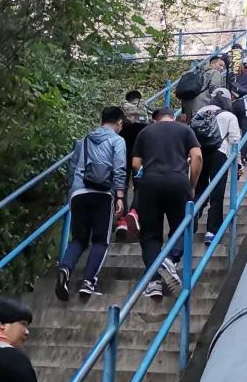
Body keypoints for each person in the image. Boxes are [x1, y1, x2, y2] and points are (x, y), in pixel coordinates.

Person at [55, 106, 127, 300]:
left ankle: (65, 268)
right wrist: (120, 196)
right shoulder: (117, 141)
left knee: (78, 239)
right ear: (119, 122)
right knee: (100, 240)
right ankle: (88, 282)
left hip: (79, 193)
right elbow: (120, 168)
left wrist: (72, 193)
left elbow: (72, 168)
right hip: (102, 194)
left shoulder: (84, 140)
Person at [132, 107, 202, 300]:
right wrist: (192, 185)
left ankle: (154, 282)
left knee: (150, 235)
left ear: (155, 119)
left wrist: (150, 169)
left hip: (150, 184)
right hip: (178, 182)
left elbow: (136, 164)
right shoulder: (185, 129)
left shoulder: (145, 132)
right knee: (185, 225)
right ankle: (170, 260)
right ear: (172, 117)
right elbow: (197, 157)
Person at [191, 89, 242, 246]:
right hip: (220, 154)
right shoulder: (229, 116)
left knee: (200, 188)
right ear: (228, 100)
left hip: (199, 153)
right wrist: (238, 163)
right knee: (217, 192)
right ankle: (211, 231)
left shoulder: (200, 112)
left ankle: (193, 215)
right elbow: (234, 140)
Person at [116, 90, 148, 240]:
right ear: (139, 99)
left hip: (122, 154)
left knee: (121, 185)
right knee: (139, 186)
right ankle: (134, 212)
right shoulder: (145, 109)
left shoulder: (122, 113)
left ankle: (121, 221)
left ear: (127, 100)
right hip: (140, 156)